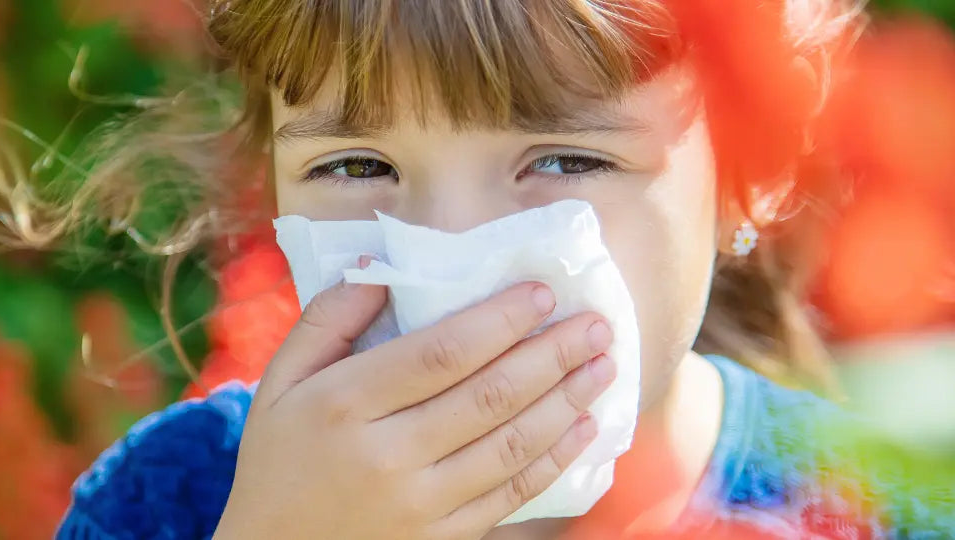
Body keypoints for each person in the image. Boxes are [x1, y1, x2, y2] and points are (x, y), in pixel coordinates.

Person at [47, 0, 952, 538]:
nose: (447, 252)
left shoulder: (883, 512)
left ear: (754, 166)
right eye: (359, 166)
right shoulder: (171, 503)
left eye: (561, 160)